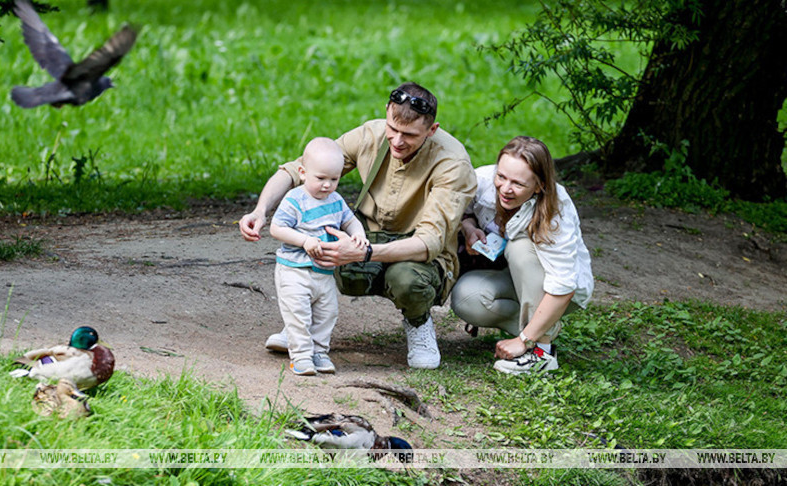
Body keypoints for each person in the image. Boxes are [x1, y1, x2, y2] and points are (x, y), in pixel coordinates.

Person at [240, 82, 476, 369]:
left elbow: (429, 243)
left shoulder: (453, 163)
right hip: (367, 232)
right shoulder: (372, 134)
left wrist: (361, 254)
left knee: (407, 281)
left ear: (432, 130)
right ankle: (301, 326)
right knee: (315, 238)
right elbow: (298, 169)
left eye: (410, 135)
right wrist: (261, 210)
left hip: (420, 251)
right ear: (387, 114)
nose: (398, 141)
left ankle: (419, 322)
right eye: (393, 129)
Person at [450, 136, 593, 374]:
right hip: (511, 275)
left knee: (519, 247)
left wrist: (523, 340)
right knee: (467, 298)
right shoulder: (481, 180)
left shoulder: (557, 210)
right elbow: (463, 211)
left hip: (558, 290)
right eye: (502, 176)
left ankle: (540, 352)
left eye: (517, 184)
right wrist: (468, 227)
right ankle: (542, 327)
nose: (505, 189)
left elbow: (564, 284)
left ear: (539, 186)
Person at [269, 137, 368, 376]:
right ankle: (301, 356)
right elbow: (276, 228)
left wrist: (359, 235)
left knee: (326, 313)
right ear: (303, 172)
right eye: (321, 178)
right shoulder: (295, 199)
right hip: (295, 270)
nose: (327, 185)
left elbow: (350, 220)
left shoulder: (336, 200)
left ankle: (319, 351)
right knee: (299, 314)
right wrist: (305, 240)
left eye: (334, 179)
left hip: (323, 272)